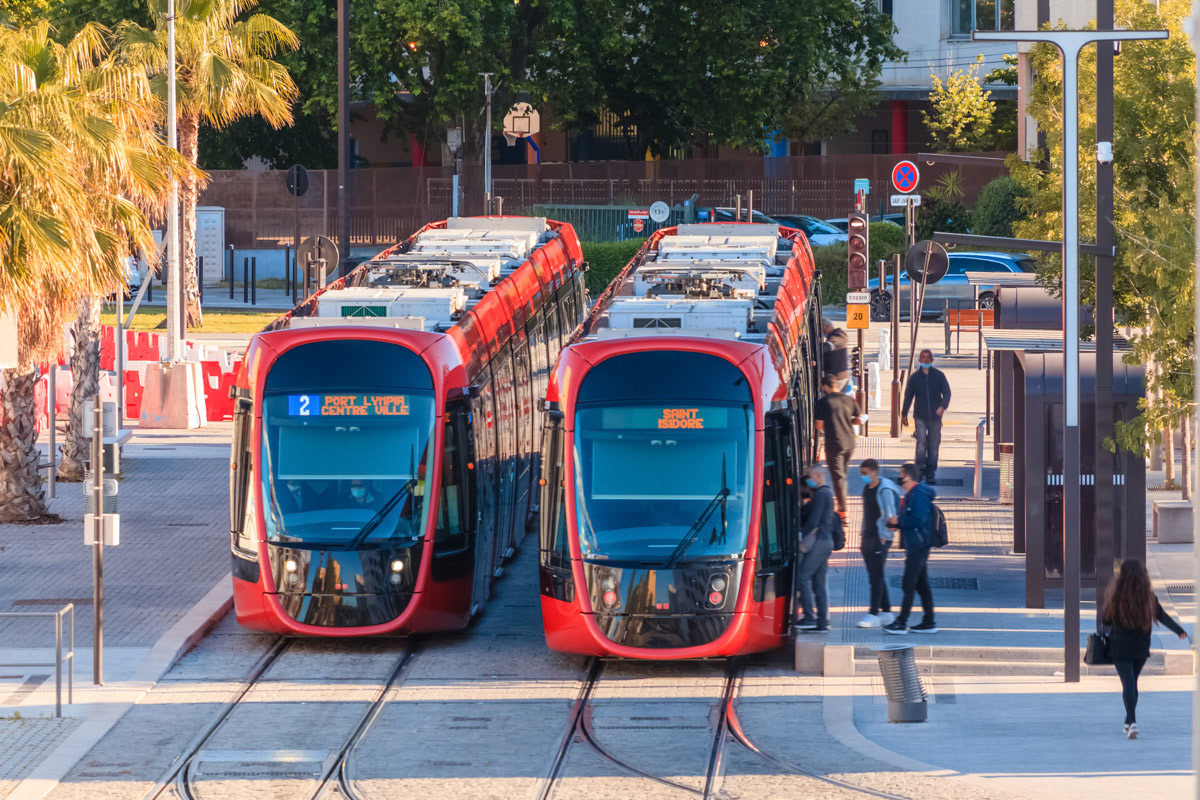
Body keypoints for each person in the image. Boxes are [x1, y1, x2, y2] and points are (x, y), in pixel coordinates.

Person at [1102, 559, 1187, 739]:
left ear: (1122, 576)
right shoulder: (1149, 598)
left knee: (1128, 683)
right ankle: (1129, 721)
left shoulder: (1116, 596)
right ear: (1143, 576)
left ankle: (1132, 722)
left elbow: (1106, 621)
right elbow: (1163, 617)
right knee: (1133, 682)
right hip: (1140, 647)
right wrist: (1179, 630)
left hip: (1120, 646)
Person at [883, 463, 937, 634]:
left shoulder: (918, 495)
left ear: (907, 477)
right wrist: (897, 523)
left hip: (919, 545)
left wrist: (898, 520)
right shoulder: (912, 494)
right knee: (922, 585)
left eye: (900, 474)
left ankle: (901, 622)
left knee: (908, 584)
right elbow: (912, 519)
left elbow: (918, 520)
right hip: (917, 544)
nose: (899, 478)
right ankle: (929, 622)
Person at [857, 459, 900, 628]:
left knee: (876, 577)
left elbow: (891, 516)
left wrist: (884, 536)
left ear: (875, 472)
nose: (863, 477)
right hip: (868, 536)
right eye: (861, 473)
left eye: (865, 473)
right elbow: (866, 511)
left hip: (880, 538)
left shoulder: (885, 490)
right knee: (876, 575)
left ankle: (873, 613)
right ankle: (887, 612)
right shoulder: (867, 488)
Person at [794, 466, 836, 633]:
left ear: (819, 475)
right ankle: (821, 623)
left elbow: (813, 521)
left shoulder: (820, 495)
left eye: (810, 476)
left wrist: (800, 536)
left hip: (818, 542)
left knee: (801, 578)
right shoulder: (826, 494)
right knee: (818, 583)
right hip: (826, 542)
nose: (809, 480)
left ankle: (809, 617)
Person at [901, 349, 951, 484]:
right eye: (923, 357)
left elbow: (947, 392)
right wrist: (904, 414)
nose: (926, 360)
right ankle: (920, 470)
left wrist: (942, 406)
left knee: (934, 445)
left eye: (928, 357)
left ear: (932, 360)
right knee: (921, 443)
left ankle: (931, 472)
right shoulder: (915, 377)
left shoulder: (939, 376)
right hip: (920, 416)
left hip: (935, 417)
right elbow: (908, 396)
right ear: (919, 360)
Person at [814, 374, 862, 514]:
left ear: (825, 386)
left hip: (834, 444)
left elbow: (818, 426)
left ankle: (843, 511)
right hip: (850, 443)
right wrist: (848, 421)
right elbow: (859, 419)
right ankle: (842, 504)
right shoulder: (848, 399)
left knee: (838, 477)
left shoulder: (824, 402)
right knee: (842, 475)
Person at [822, 318, 851, 390]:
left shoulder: (840, 335)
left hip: (838, 378)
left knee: (835, 399)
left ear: (827, 326)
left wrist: (825, 347)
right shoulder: (833, 335)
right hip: (835, 377)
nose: (823, 333)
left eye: (823, 330)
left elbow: (833, 343)